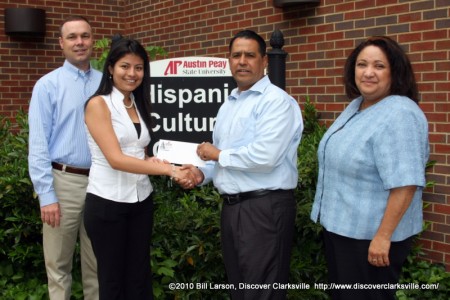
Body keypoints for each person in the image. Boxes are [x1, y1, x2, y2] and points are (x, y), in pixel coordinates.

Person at [182, 30, 303, 300]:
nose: (242, 61)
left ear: (264, 62)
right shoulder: (230, 103)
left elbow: (265, 157)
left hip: (265, 208)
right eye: (236, 55)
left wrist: (216, 155)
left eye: (250, 55)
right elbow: (224, 160)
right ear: (229, 60)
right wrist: (201, 174)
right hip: (233, 209)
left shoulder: (276, 102)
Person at [310, 36, 429, 300]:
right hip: (343, 232)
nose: (368, 72)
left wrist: (383, 237)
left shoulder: (400, 114)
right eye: (362, 64)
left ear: (394, 72)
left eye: (379, 66)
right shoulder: (357, 106)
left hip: (371, 240)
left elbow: (406, 182)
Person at [83, 36, 194, 300]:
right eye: (125, 66)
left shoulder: (137, 103)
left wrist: (152, 161)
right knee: (112, 283)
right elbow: (116, 159)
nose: (132, 73)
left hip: (141, 200)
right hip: (107, 202)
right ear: (110, 68)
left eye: (139, 67)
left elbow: (136, 151)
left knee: (139, 278)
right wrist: (169, 171)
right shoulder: (98, 104)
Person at [28, 15, 101, 300]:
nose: (79, 42)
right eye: (72, 37)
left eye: (85, 35)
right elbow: (38, 144)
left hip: (102, 183)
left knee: (97, 262)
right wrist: (46, 194)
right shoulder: (47, 85)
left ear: (93, 40)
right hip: (63, 183)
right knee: (58, 265)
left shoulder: (105, 82)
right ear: (61, 43)